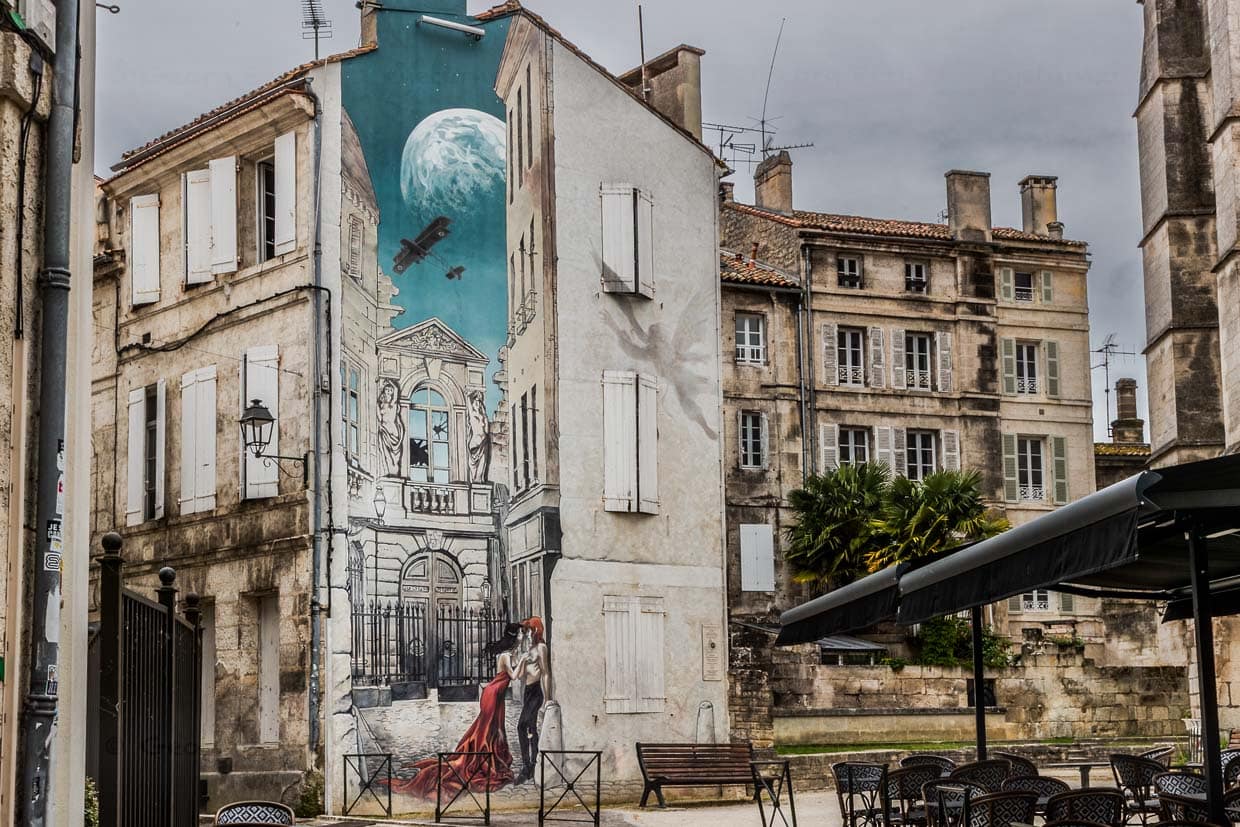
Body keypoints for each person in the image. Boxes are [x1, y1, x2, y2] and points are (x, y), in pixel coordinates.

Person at [394, 623, 526, 798]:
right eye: (520, 634)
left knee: (494, 729)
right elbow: (514, 676)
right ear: (513, 636)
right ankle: (480, 761)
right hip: (493, 695)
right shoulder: (505, 656)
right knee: (486, 730)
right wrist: (524, 659)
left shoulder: (510, 654)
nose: (522, 636)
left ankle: (491, 759)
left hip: (497, 694)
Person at [514, 617, 552, 784]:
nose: (525, 633)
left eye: (528, 630)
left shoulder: (541, 648)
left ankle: (528, 765)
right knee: (529, 726)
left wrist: (548, 698)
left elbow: (545, 673)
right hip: (527, 692)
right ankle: (529, 765)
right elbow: (521, 675)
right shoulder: (529, 649)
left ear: (535, 630)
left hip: (536, 692)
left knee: (523, 725)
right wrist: (522, 658)